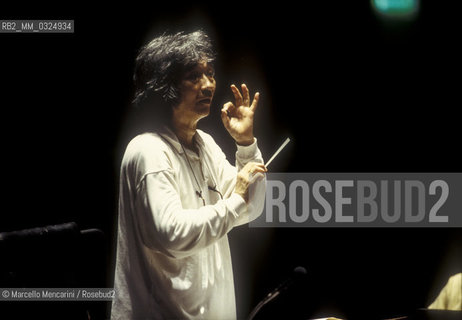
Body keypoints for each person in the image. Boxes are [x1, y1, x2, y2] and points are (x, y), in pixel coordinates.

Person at [111, 30, 267, 320]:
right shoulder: (148, 150)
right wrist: (234, 202)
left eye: (210, 73)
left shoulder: (204, 143)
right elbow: (171, 234)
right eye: (194, 76)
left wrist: (246, 145)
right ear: (165, 85)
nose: (208, 85)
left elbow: (252, 207)